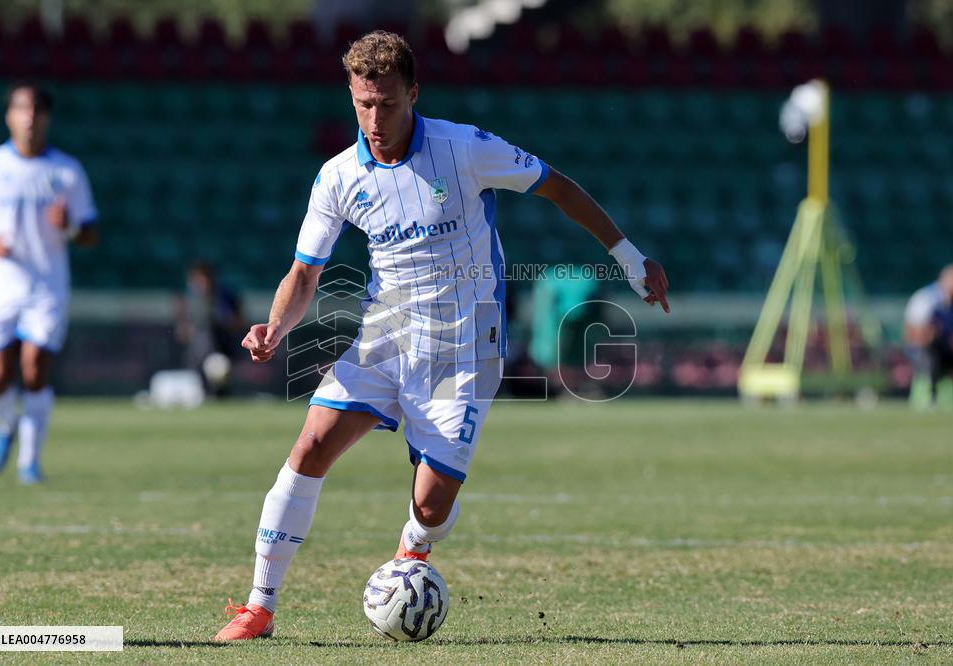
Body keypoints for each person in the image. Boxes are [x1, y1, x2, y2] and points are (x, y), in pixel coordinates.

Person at [214, 31, 669, 640]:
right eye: (363, 104)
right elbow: (304, 272)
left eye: (388, 104)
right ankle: (258, 607)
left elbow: (557, 186)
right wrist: (277, 326)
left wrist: (633, 259)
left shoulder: (464, 149)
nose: (375, 119)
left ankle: (412, 551)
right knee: (310, 447)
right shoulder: (339, 177)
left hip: (464, 351)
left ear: (413, 94)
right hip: (384, 338)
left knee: (431, 508)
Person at [0, 83, 98, 484]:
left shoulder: (66, 171)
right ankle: (6, 426)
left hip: (46, 286)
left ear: (46, 117)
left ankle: (29, 462)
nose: (29, 117)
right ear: (8, 116)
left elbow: (90, 232)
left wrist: (69, 227)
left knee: (35, 367)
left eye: (36, 109)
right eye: (21, 108)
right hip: (2, 287)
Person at [174, 262, 246, 396]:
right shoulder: (187, 300)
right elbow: (182, 330)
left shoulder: (226, 297)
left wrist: (225, 322)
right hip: (198, 351)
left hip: (223, 347)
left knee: (221, 381)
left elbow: (238, 322)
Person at [904, 263, 953, 410]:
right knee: (930, 355)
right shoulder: (926, 298)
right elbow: (913, 334)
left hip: (952, 349)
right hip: (925, 349)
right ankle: (927, 396)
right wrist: (935, 336)